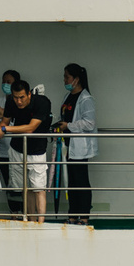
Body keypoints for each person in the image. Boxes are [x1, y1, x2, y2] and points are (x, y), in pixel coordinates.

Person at [0, 78, 53, 221]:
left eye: (22, 97)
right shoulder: (11, 102)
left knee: (39, 188)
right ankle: (31, 221)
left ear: (29, 94)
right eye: (16, 98)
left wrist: (5, 128)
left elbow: (30, 128)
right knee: (25, 189)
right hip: (17, 149)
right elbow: (4, 121)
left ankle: (40, 224)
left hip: (37, 151)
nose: (19, 101)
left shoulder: (42, 102)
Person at [58, 64, 97, 225]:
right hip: (67, 145)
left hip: (80, 146)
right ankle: (72, 215)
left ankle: (84, 216)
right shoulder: (68, 96)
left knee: (81, 181)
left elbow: (89, 123)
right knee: (71, 182)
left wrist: (68, 126)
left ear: (76, 79)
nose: (65, 80)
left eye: (67, 76)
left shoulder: (86, 99)